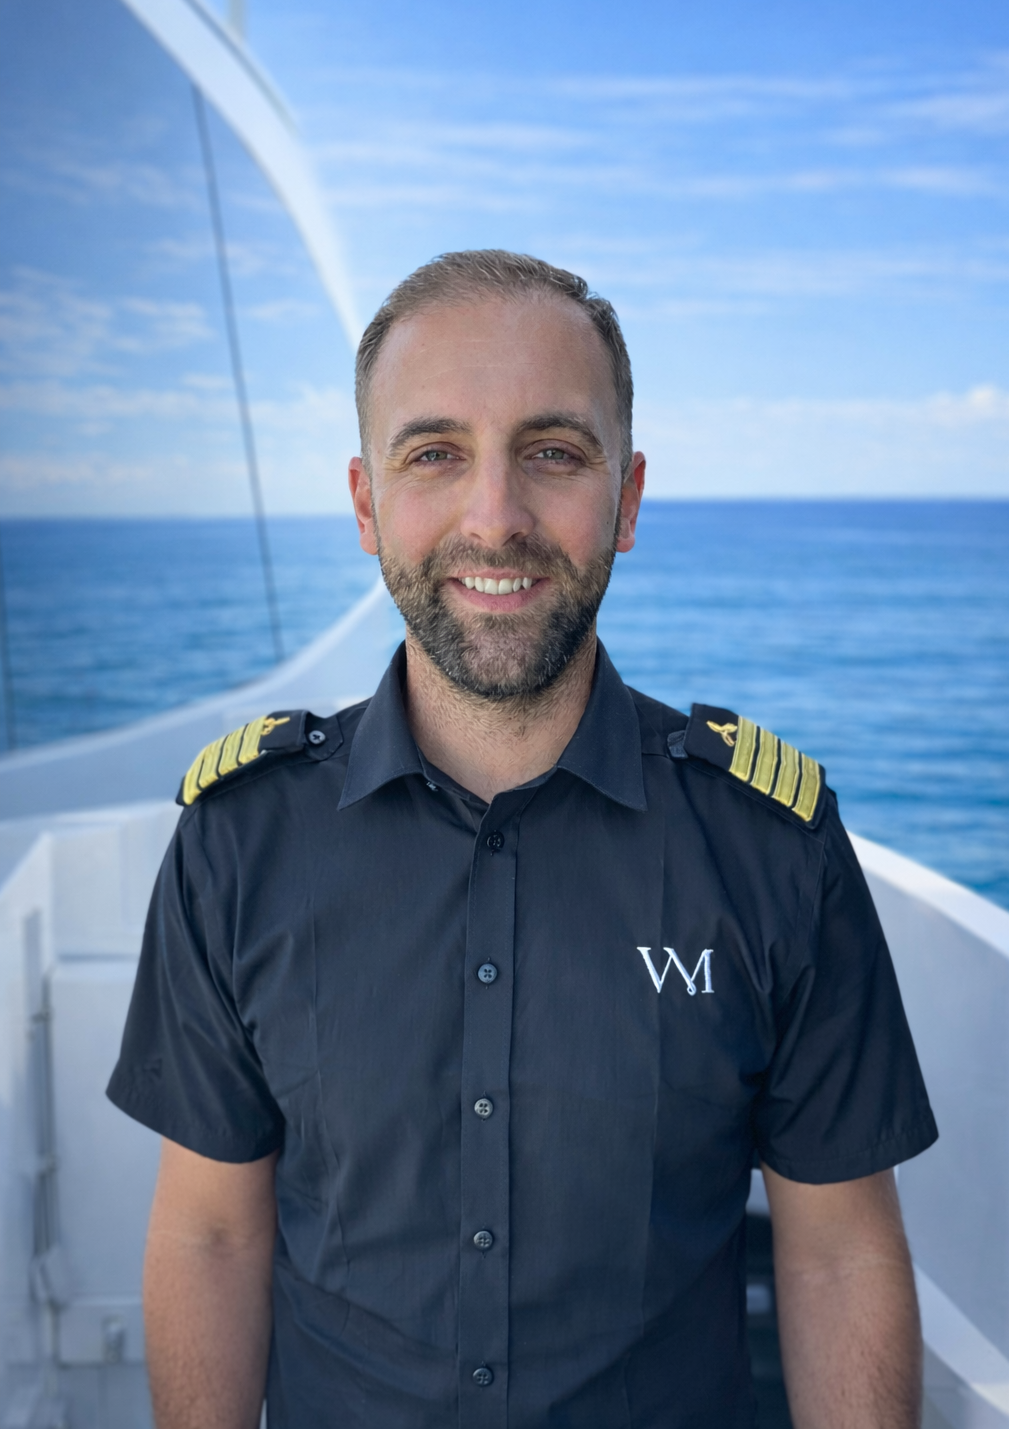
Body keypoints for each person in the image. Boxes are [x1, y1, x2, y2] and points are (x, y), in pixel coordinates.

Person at [108, 250, 938, 1429]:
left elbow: (837, 1254)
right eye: (434, 454)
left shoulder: (771, 851)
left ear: (628, 499)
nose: (493, 519)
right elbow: (206, 1233)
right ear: (364, 503)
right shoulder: (240, 842)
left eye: (553, 453)